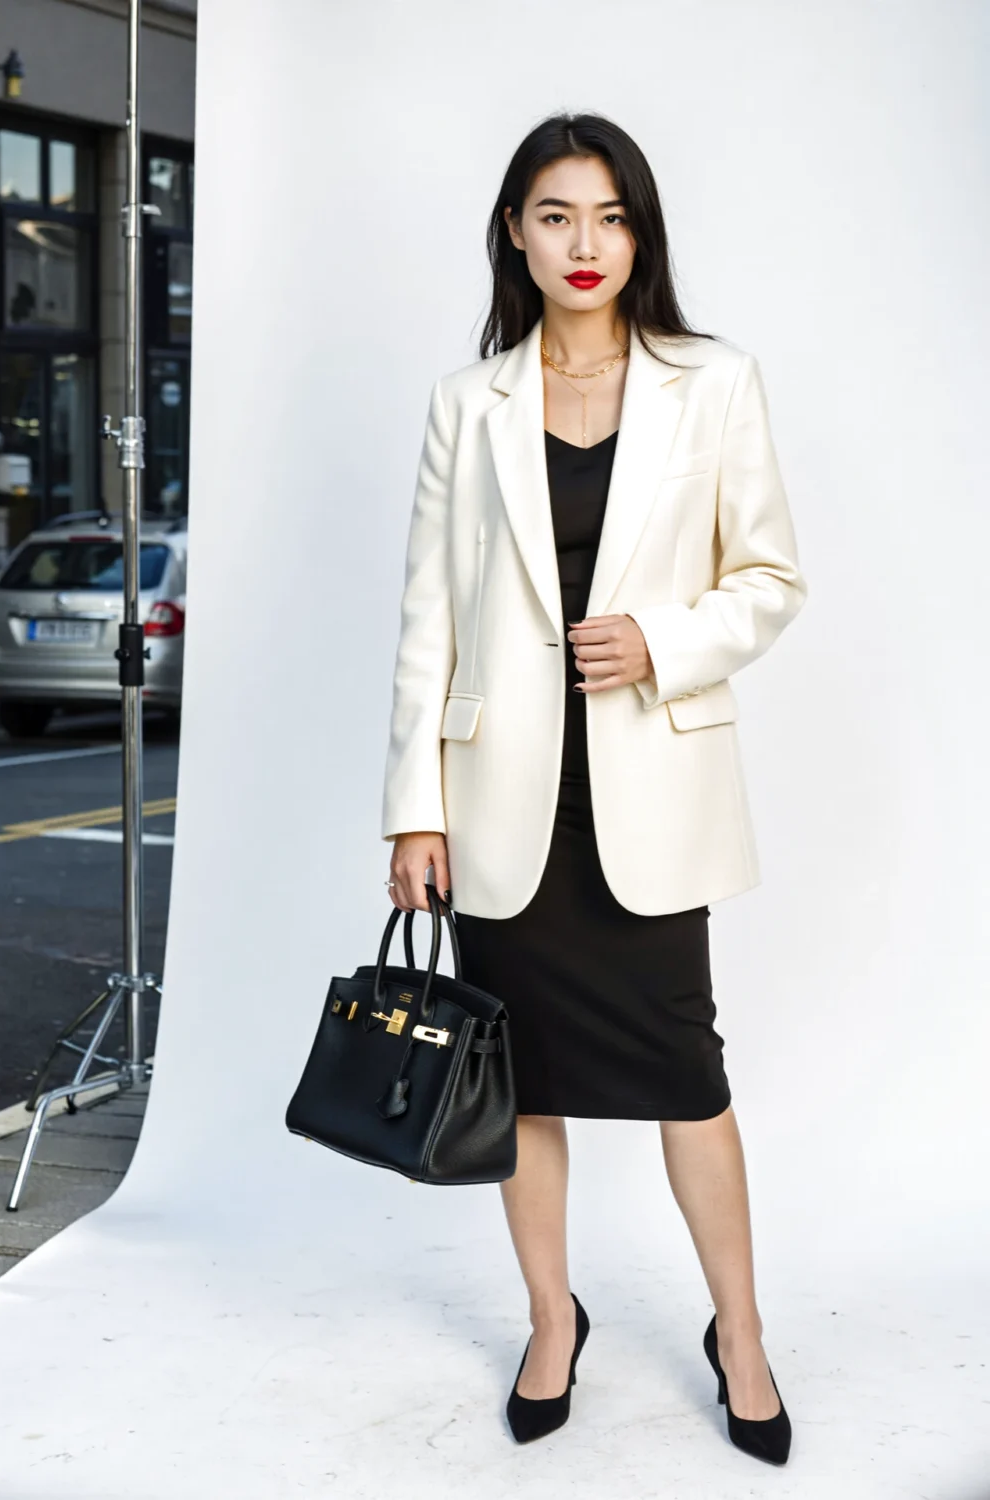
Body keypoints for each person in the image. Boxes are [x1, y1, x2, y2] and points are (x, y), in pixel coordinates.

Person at [380, 111, 807, 1465]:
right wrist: (413, 805)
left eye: (612, 217)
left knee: (687, 1076)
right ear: (516, 227)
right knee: (527, 1087)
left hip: (649, 794)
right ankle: (551, 1319)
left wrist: (664, 642)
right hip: (502, 798)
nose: (586, 243)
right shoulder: (471, 400)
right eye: (558, 214)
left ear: (641, 235)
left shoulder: (714, 382)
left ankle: (739, 1334)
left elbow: (773, 578)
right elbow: (427, 618)